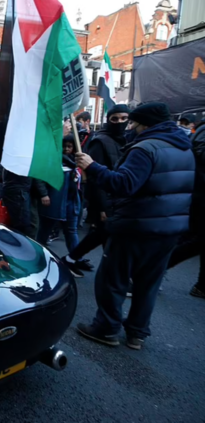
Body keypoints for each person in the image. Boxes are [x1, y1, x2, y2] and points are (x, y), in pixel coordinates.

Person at [75, 102, 195, 350]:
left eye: (132, 122)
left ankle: (106, 328)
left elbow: (124, 183)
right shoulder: (185, 148)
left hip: (136, 226)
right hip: (169, 229)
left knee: (113, 280)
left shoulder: (145, 148)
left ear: (145, 124)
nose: (129, 127)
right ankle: (137, 333)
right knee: (147, 283)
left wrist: (92, 166)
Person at [63, 104, 131, 277]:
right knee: (108, 237)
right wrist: (102, 207)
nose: (120, 122)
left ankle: (71, 259)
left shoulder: (128, 140)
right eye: (115, 119)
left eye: (124, 118)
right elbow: (95, 178)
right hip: (106, 201)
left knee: (101, 234)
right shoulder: (100, 141)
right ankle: (116, 276)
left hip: (120, 199)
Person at [166, 120, 205, 298]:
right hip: (200, 192)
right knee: (197, 239)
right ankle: (155, 267)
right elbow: (200, 154)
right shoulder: (202, 132)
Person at [35, 136, 82, 255]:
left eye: (69, 146)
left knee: (71, 231)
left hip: (71, 202)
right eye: (64, 146)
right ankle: (39, 254)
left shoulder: (77, 162)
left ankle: (76, 258)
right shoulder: (52, 160)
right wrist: (44, 194)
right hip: (53, 201)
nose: (66, 149)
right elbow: (39, 177)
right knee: (45, 230)